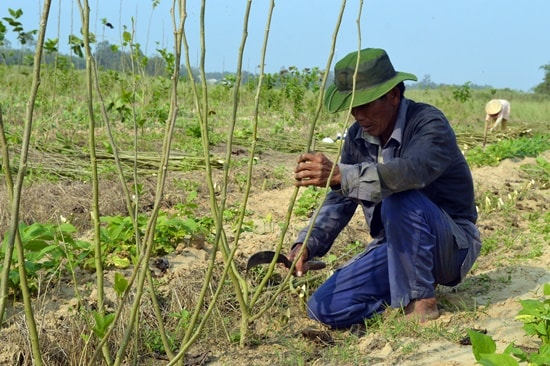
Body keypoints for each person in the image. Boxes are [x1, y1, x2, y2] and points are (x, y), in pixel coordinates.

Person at [287, 48, 482, 329]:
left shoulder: (428, 123)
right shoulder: (357, 137)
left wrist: (343, 174)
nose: (358, 115)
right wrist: (306, 245)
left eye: (365, 105)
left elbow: (411, 172)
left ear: (393, 95)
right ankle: (399, 295)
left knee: (398, 198)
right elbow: (339, 201)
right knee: (324, 308)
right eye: (353, 107)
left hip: (450, 245)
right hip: (397, 246)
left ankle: (420, 305)